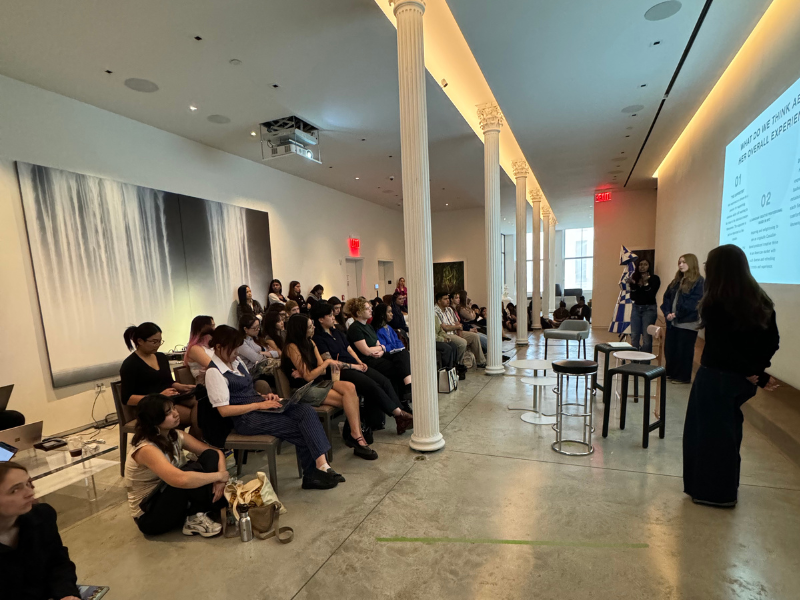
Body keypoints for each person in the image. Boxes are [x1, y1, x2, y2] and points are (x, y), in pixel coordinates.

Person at [683, 245, 780, 508]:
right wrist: (756, 372)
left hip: (715, 379)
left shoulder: (716, 302)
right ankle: (726, 489)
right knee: (728, 435)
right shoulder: (760, 300)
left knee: (706, 437)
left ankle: (710, 492)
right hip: (738, 382)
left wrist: (754, 373)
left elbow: (722, 350)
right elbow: (772, 342)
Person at [206, 326, 343, 488]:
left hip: (258, 407)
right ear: (219, 347)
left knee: (305, 410)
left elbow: (247, 390)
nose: (236, 353)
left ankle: (322, 466)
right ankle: (313, 473)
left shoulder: (235, 362)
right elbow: (224, 410)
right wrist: (259, 404)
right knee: (301, 427)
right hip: (246, 419)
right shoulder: (214, 372)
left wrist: (264, 397)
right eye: (233, 349)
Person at [125, 395, 228, 536]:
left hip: (170, 497)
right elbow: (180, 480)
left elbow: (215, 452)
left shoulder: (175, 435)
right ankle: (195, 516)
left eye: (173, 408)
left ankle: (200, 510)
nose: (175, 413)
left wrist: (220, 480)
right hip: (150, 516)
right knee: (185, 476)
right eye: (168, 413)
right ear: (154, 420)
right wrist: (219, 475)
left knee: (209, 457)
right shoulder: (146, 449)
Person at [282, 315, 378, 460]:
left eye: (312, 325)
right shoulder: (292, 347)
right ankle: (357, 437)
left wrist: (314, 369)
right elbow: (311, 375)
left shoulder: (311, 343)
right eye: (309, 326)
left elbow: (319, 370)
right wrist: (323, 365)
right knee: (350, 400)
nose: (313, 328)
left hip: (318, 382)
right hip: (303, 390)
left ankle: (355, 434)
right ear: (300, 329)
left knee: (351, 388)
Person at [311, 302, 413, 435]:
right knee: (372, 385)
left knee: (384, 381)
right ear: (320, 319)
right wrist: (356, 366)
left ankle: (401, 414)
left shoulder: (337, 331)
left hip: (355, 364)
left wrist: (360, 363)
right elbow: (331, 362)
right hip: (340, 371)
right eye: (330, 315)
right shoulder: (318, 339)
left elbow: (349, 350)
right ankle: (400, 414)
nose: (333, 317)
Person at [0, 462, 81, 599]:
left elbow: (58, 562)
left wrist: (66, 594)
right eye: (15, 490)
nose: (30, 493)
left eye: (28, 484)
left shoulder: (42, 516)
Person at [120, 322, 199, 433]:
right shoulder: (130, 364)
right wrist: (158, 396)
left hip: (169, 399)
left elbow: (167, 381)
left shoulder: (161, 357)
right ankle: (196, 445)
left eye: (159, 341)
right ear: (140, 341)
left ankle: (196, 444)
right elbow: (127, 399)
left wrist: (181, 386)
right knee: (195, 416)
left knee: (202, 403)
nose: (157, 345)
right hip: (149, 406)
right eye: (154, 342)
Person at [346, 297, 414, 401]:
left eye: (370, 308)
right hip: (367, 360)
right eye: (367, 308)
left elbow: (378, 344)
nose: (371, 310)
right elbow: (366, 351)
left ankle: (408, 386)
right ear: (359, 312)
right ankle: (403, 398)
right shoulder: (355, 328)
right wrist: (380, 348)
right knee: (397, 368)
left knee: (403, 353)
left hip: (378, 355)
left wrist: (381, 349)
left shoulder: (368, 327)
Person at [660, 254, 704, 384]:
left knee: (683, 351)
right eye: (679, 262)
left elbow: (694, 302)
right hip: (672, 322)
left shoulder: (698, 281)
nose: (681, 265)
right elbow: (666, 297)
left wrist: (677, 314)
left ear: (691, 263)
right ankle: (671, 373)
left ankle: (683, 377)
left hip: (687, 323)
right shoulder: (677, 280)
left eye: (684, 262)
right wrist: (668, 312)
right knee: (670, 349)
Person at [434, 293, 486, 368]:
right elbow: (445, 328)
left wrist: (458, 330)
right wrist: (456, 327)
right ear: (439, 301)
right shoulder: (436, 311)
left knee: (475, 337)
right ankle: (458, 364)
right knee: (462, 342)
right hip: (446, 334)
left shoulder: (449, 309)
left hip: (455, 331)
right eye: (445, 299)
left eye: (448, 298)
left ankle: (481, 362)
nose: (448, 300)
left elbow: (458, 323)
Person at [627, 260, 660, 352]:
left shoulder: (655, 279)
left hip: (649, 309)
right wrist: (633, 285)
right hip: (636, 308)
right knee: (634, 336)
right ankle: (634, 361)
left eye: (645, 264)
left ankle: (645, 362)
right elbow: (633, 297)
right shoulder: (635, 278)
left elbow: (650, 295)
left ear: (649, 266)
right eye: (640, 264)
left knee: (646, 337)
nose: (642, 267)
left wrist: (645, 283)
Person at [237, 314, 280, 380]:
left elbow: (276, 353)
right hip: (255, 372)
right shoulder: (242, 343)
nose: (258, 329)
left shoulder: (257, 338)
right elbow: (257, 359)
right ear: (245, 329)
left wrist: (262, 353)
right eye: (255, 328)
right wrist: (268, 353)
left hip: (267, 366)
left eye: (259, 326)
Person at [184, 315, 215, 384]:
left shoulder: (211, 347)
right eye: (212, 326)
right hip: (206, 387)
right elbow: (213, 365)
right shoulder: (195, 348)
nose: (214, 329)